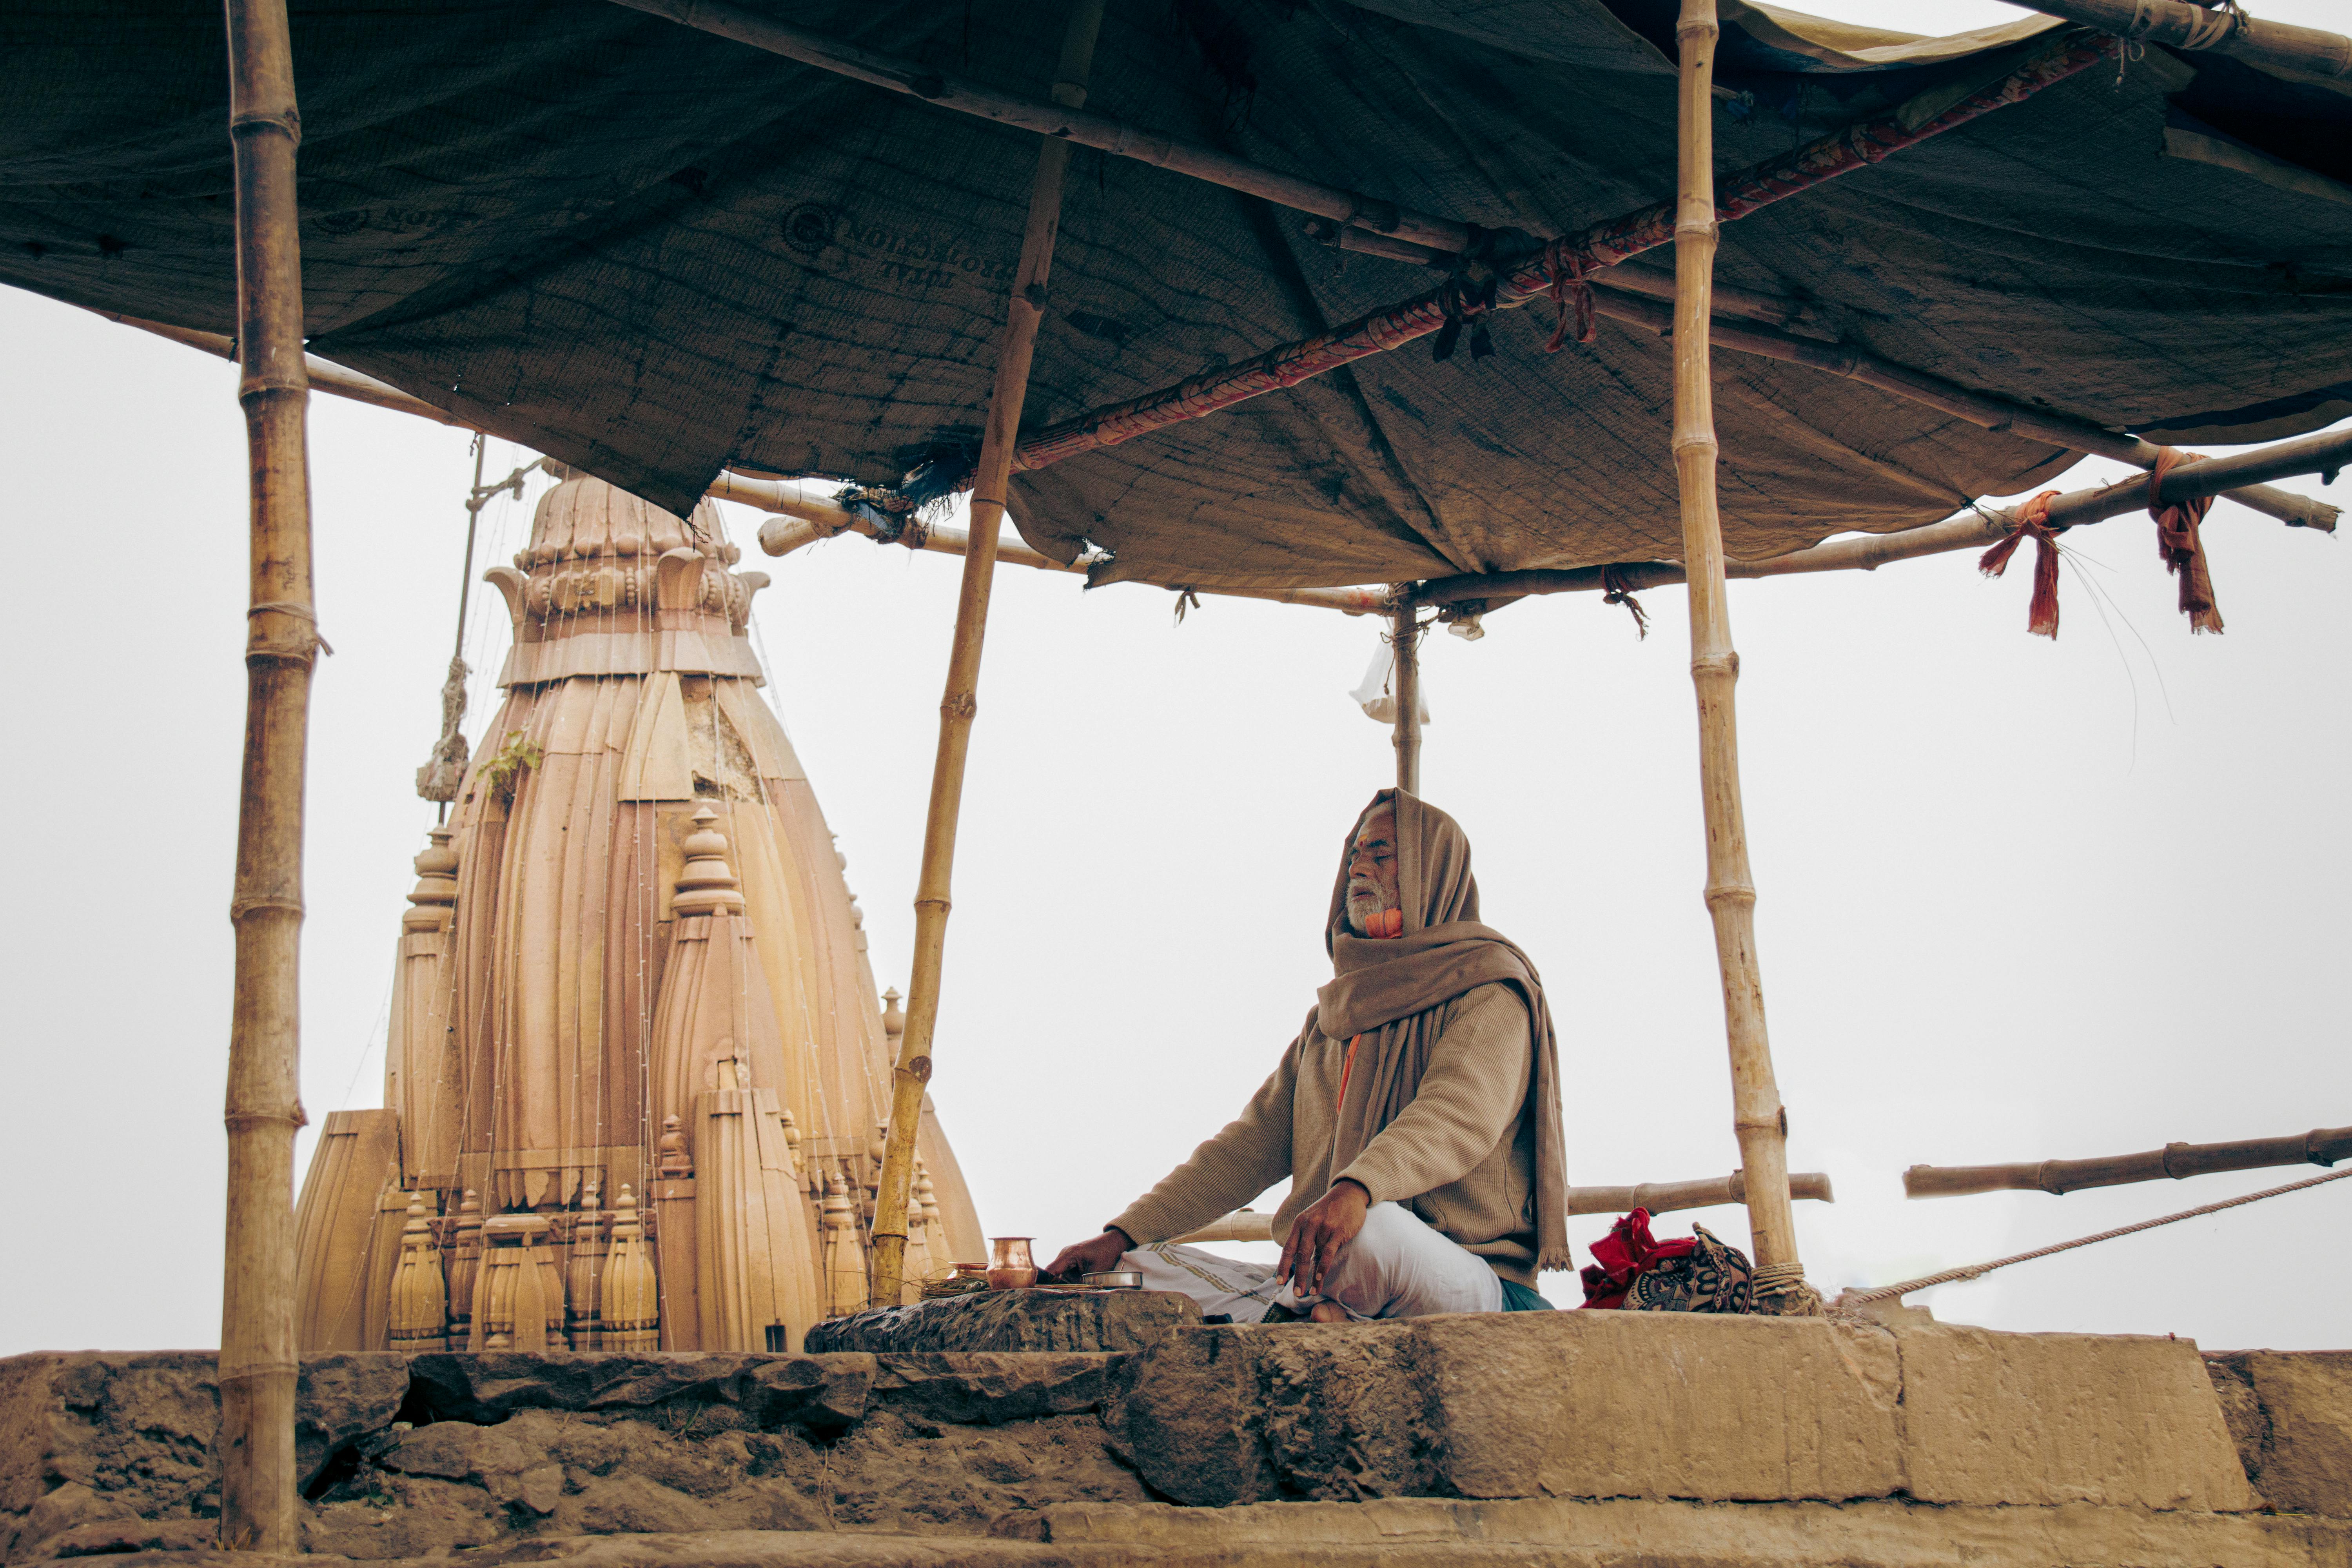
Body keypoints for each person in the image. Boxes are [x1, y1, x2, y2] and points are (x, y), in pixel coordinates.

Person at [1044, 789, 1570, 1321]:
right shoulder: (1334, 1020)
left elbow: (1455, 1118)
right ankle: (1315, 1317)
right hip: (1321, 1277)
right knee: (1140, 1269)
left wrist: (1357, 1191)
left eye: (1381, 855)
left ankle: (1305, 1316)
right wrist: (1122, 1234)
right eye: (1353, 857)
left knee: (1374, 1232)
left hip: (1460, 1280)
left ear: (1430, 869)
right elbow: (1247, 1147)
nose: (1358, 869)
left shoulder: (1491, 992)